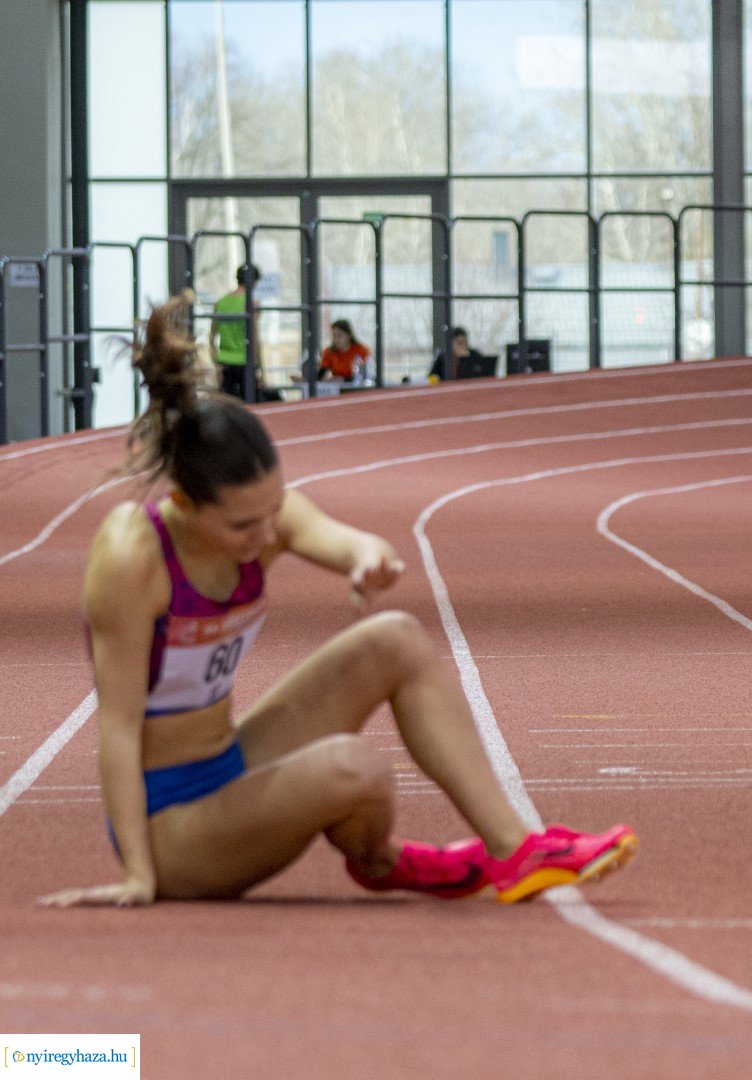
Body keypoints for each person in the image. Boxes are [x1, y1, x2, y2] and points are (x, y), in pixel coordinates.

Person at [39, 299, 636, 908]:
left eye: (275, 510)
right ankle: (384, 861)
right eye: (245, 526)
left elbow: (343, 539)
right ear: (187, 507)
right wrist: (139, 875)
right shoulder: (131, 558)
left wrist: (366, 557)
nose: (268, 536)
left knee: (396, 637)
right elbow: (114, 726)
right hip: (173, 825)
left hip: (229, 761)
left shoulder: (262, 516)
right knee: (353, 768)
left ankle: (515, 852)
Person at [209, 264, 261, 401]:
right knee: (251, 407)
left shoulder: (220, 303)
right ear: (253, 281)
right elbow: (255, 338)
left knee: (228, 408)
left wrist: (216, 362)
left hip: (225, 361)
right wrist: (262, 370)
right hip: (246, 362)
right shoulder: (251, 304)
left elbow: (211, 337)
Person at [318, 320, 371, 385]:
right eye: (334, 335)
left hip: (357, 387)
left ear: (349, 335)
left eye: (340, 335)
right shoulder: (328, 352)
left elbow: (366, 375)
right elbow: (321, 374)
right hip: (337, 389)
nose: (336, 339)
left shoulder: (362, 350)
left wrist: (343, 379)